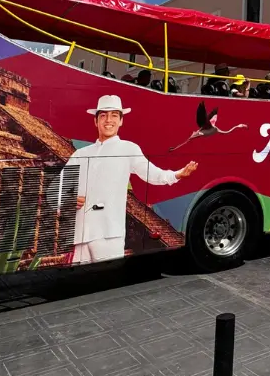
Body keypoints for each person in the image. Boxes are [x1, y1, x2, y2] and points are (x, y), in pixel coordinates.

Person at [67, 95, 197, 263]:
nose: (109, 120)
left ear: (121, 121)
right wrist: (67, 199)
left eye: (114, 115)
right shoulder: (80, 154)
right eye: (103, 115)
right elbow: (57, 189)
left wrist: (176, 175)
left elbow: (152, 174)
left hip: (109, 234)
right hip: (82, 234)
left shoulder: (128, 148)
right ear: (96, 121)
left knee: (108, 280)